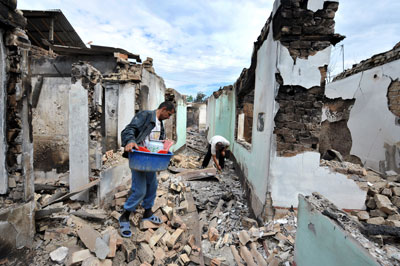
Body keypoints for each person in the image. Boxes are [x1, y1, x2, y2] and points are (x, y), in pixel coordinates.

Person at [118, 101, 175, 237]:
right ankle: (125, 216)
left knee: (153, 186)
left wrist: (164, 148)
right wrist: (130, 141)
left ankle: (147, 212)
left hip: (151, 160)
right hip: (139, 158)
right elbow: (128, 130)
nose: (169, 117)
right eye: (169, 114)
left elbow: (158, 143)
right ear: (163, 109)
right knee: (140, 190)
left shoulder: (160, 124)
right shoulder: (145, 115)